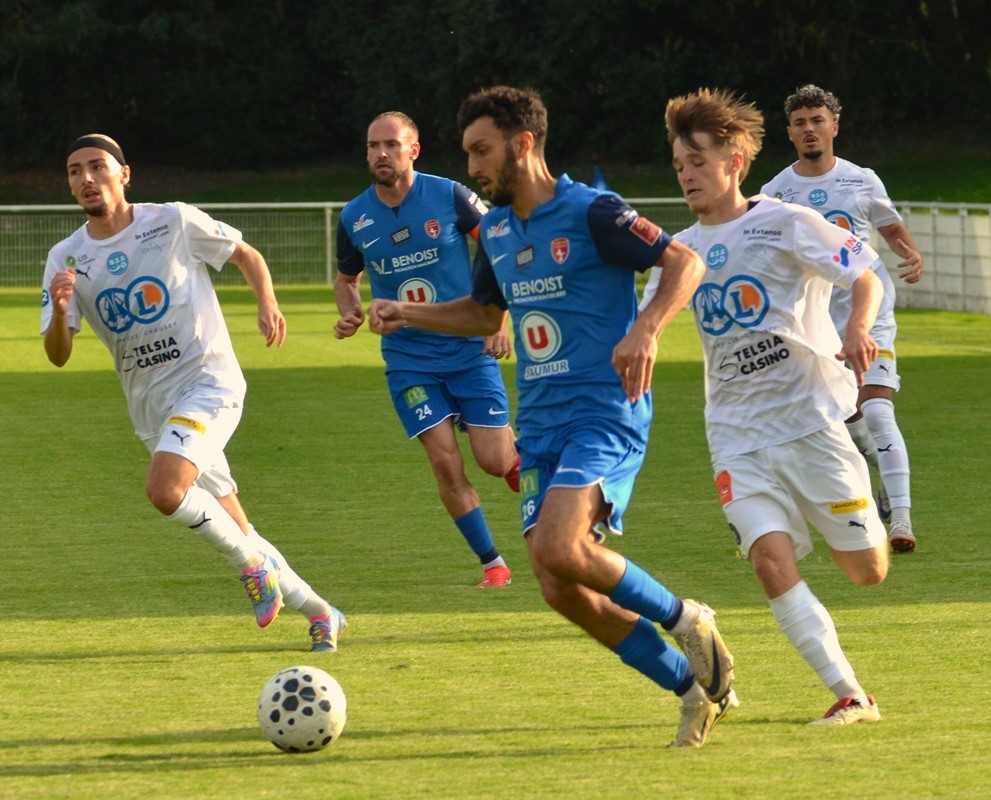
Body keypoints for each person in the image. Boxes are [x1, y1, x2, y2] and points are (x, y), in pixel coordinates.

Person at [368, 86, 736, 749]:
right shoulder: (496, 230)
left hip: (603, 411)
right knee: (557, 586)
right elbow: (483, 314)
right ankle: (690, 690)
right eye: (468, 153)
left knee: (558, 548)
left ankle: (685, 618)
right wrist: (407, 311)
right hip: (539, 425)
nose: (473, 167)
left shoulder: (592, 210)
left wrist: (647, 328)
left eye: (482, 151)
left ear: (523, 143)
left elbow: (684, 260)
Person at [42, 134, 346, 652]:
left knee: (165, 491)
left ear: (124, 174)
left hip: (208, 382)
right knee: (236, 525)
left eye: (97, 166)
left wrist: (267, 302)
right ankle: (322, 612)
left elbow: (245, 254)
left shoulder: (173, 220)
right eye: (75, 171)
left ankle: (251, 568)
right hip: (151, 409)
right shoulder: (65, 257)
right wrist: (61, 310)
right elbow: (57, 354)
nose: (86, 178)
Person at [647, 87, 890, 725]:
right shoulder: (680, 251)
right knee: (768, 560)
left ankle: (863, 484)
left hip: (811, 422)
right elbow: (642, 321)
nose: (687, 175)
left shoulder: (785, 221)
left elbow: (864, 274)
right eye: (679, 165)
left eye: (697, 161)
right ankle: (851, 695)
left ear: (734, 161)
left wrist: (857, 327)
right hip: (735, 435)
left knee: (867, 571)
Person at [334, 112, 519, 588]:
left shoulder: (450, 195)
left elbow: (499, 245)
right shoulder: (354, 217)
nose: (380, 154)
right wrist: (351, 310)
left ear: (413, 150)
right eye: (373, 146)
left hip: (468, 348)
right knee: (443, 461)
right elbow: (346, 279)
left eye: (391, 145)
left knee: (494, 461)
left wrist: (498, 319)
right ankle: (493, 563)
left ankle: (521, 461)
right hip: (408, 360)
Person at [760, 84, 922, 553]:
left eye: (817, 120)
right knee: (843, 421)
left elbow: (891, 228)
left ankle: (902, 520)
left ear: (834, 126)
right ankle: (878, 469)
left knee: (878, 409)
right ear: (790, 133)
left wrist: (911, 255)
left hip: (868, 312)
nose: (809, 129)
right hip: (813, 324)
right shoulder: (775, 193)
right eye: (800, 123)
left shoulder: (861, 180)